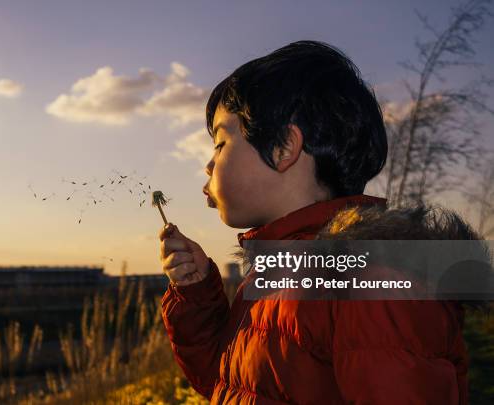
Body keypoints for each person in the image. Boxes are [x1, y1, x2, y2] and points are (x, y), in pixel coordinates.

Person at [158, 41, 478, 404]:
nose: (209, 164)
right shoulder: (279, 273)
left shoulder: (369, 286)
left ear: (283, 149)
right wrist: (198, 293)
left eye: (220, 143)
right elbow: (232, 385)